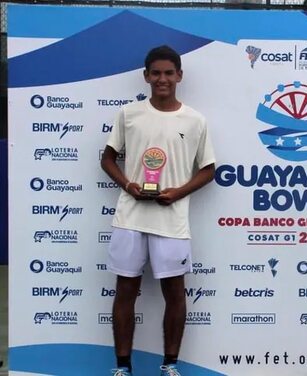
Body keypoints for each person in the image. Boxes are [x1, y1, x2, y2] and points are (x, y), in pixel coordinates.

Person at [101, 45, 216, 376]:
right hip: (130, 217)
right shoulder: (129, 114)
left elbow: (208, 170)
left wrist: (178, 192)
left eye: (169, 73)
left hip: (172, 219)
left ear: (179, 76)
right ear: (146, 76)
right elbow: (108, 158)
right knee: (125, 291)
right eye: (156, 73)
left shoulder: (195, 120)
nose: (162, 79)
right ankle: (122, 367)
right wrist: (128, 185)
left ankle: (170, 365)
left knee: (175, 294)